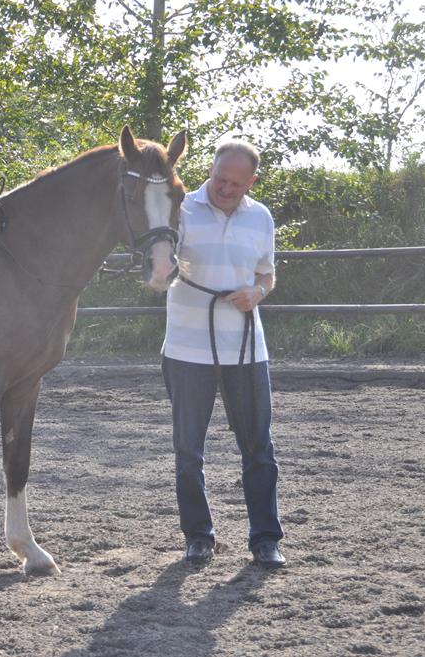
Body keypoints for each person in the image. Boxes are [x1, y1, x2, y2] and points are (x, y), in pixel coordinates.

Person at [161, 139, 286, 569]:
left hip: (248, 349)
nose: (225, 189)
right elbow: (160, 261)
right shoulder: (181, 208)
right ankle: (198, 537)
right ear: (210, 171)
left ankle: (265, 539)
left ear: (251, 181)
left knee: (258, 448)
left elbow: (267, 274)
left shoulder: (261, 217)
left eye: (236, 183)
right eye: (219, 179)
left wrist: (257, 291)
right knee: (187, 450)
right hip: (186, 349)